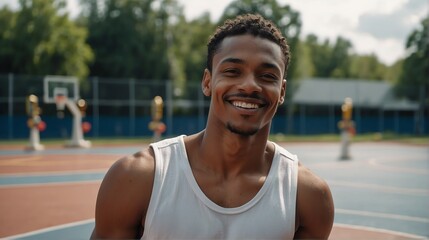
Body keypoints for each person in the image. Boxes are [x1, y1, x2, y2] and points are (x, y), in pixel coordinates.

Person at [91, 14, 334, 239]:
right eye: (232, 71)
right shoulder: (138, 177)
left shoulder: (308, 196)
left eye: (267, 76)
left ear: (281, 92)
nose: (250, 86)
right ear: (208, 82)